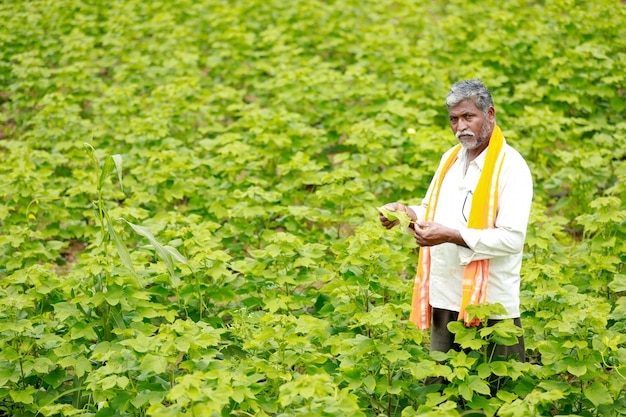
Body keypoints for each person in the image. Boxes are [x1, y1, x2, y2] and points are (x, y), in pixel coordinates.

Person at [379, 79, 533, 363]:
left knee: (500, 395)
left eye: (468, 116)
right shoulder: (450, 158)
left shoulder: (512, 168)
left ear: (490, 114)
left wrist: (451, 236)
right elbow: (431, 210)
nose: (460, 126)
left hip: (490, 306)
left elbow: (512, 239)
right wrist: (404, 212)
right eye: (453, 119)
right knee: (442, 392)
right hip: (446, 297)